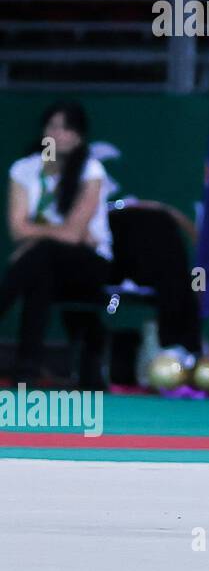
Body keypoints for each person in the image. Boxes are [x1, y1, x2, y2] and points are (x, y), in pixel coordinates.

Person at [1, 102, 113, 386]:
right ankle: (27, 367)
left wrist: (35, 236)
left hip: (90, 263)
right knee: (41, 271)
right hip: (45, 264)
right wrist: (50, 234)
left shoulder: (91, 170)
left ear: (78, 136)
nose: (57, 134)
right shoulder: (24, 170)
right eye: (52, 126)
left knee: (40, 254)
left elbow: (75, 237)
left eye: (66, 128)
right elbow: (17, 229)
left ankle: (27, 362)